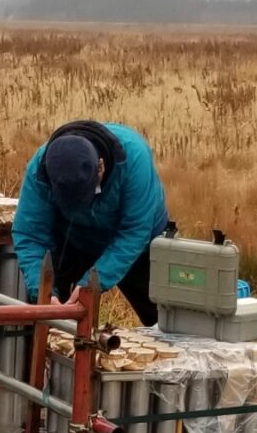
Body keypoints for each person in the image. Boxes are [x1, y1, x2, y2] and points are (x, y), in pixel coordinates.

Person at [11, 120, 170, 324]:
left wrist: (90, 285)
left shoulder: (133, 157)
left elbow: (134, 232)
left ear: (100, 167)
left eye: (86, 195)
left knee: (165, 320)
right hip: (73, 238)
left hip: (138, 242)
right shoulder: (41, 168)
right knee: (49, 316)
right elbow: (30, 234)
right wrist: (43, 290)